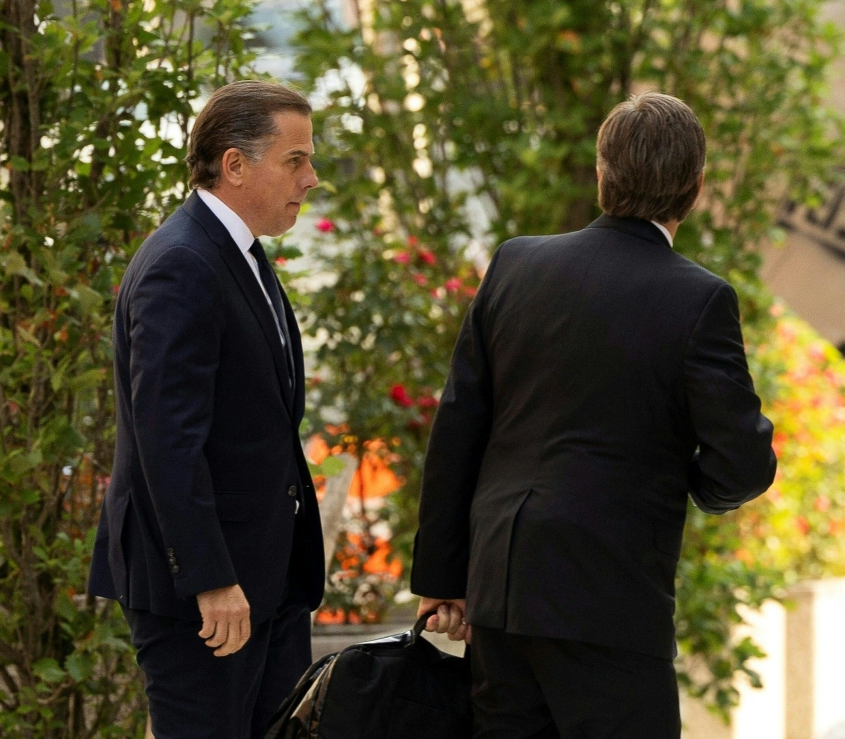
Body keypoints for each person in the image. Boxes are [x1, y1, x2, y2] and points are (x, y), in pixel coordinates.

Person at [411, 92, 777, 738]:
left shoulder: (515, 264)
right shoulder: (699, 299)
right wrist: (687, 484)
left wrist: (442, 576)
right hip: (609, 597)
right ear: (695, 189)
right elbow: (743, 461)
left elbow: (459, 426)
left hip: (501, 592)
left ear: (603, 173)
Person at [87, 80, 325, 739]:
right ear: (235, 164)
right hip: (207, 594)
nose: (311, 178)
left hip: (265, 583)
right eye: (296, 159)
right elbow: (168, 439)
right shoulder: (182, 263)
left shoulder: (239, 254)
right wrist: (211, 579)